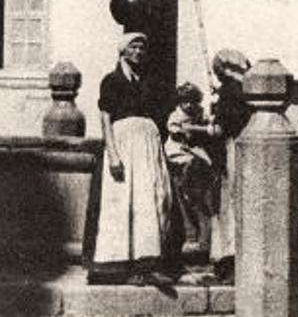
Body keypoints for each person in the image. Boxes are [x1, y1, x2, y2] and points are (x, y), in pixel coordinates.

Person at [87, 32, 175, 286]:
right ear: (123, 51)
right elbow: (105, 118)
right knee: (123, 202)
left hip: (147, 146)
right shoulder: (111, 81)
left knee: (150, 199)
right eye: (134, 47)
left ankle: (147, 263)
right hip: (124, 145)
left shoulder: (147, 81)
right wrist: (113, 154)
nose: (139, 52)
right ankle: (120, 265)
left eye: (142, 48)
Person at [205, 48, 252, 282]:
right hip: (245, 151)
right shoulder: (247, 90)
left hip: (230, 151)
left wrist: (207, 124)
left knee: (228, 204)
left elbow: (221, 129)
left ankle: (229, 259)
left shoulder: (230, 92)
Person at [164, 82, 215, 257]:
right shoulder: (176, 116)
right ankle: (190, 237)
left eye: (193, 102)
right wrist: (200, 129)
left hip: (195, 152)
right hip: (179, 152)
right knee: (184, 199)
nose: (189, 106)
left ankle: (203, 240)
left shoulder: (199, 112)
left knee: (200, 201)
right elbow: (178, 131)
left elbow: (210, 124)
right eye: (185, 102)